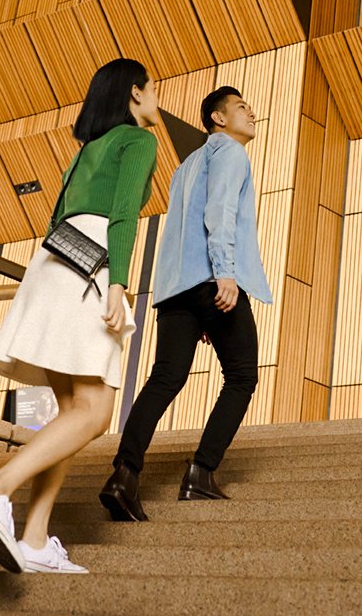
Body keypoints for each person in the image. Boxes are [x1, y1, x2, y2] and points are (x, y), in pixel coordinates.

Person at [0, 58, 161, 574]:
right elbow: (122, 217)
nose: (156, 100)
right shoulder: (138, 142)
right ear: (135, 94)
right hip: (91, 267)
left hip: (50, 265)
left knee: (70, 411)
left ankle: (34, 538)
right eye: (152, 89)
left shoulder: (85, 151)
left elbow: (54, 218)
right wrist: (118, 282)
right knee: (95, 413)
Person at [100, 85, 268, 520]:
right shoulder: (230, 152)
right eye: (242, 108)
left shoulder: (186, 166)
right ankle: (201, 474)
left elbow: (181, 229)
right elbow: (220, 214)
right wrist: (225, 274)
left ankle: (124, 473)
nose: (252, 114)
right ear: (218, 118)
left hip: (175, 287)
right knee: (242, 375)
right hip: (213, 277)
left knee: (166, 377)